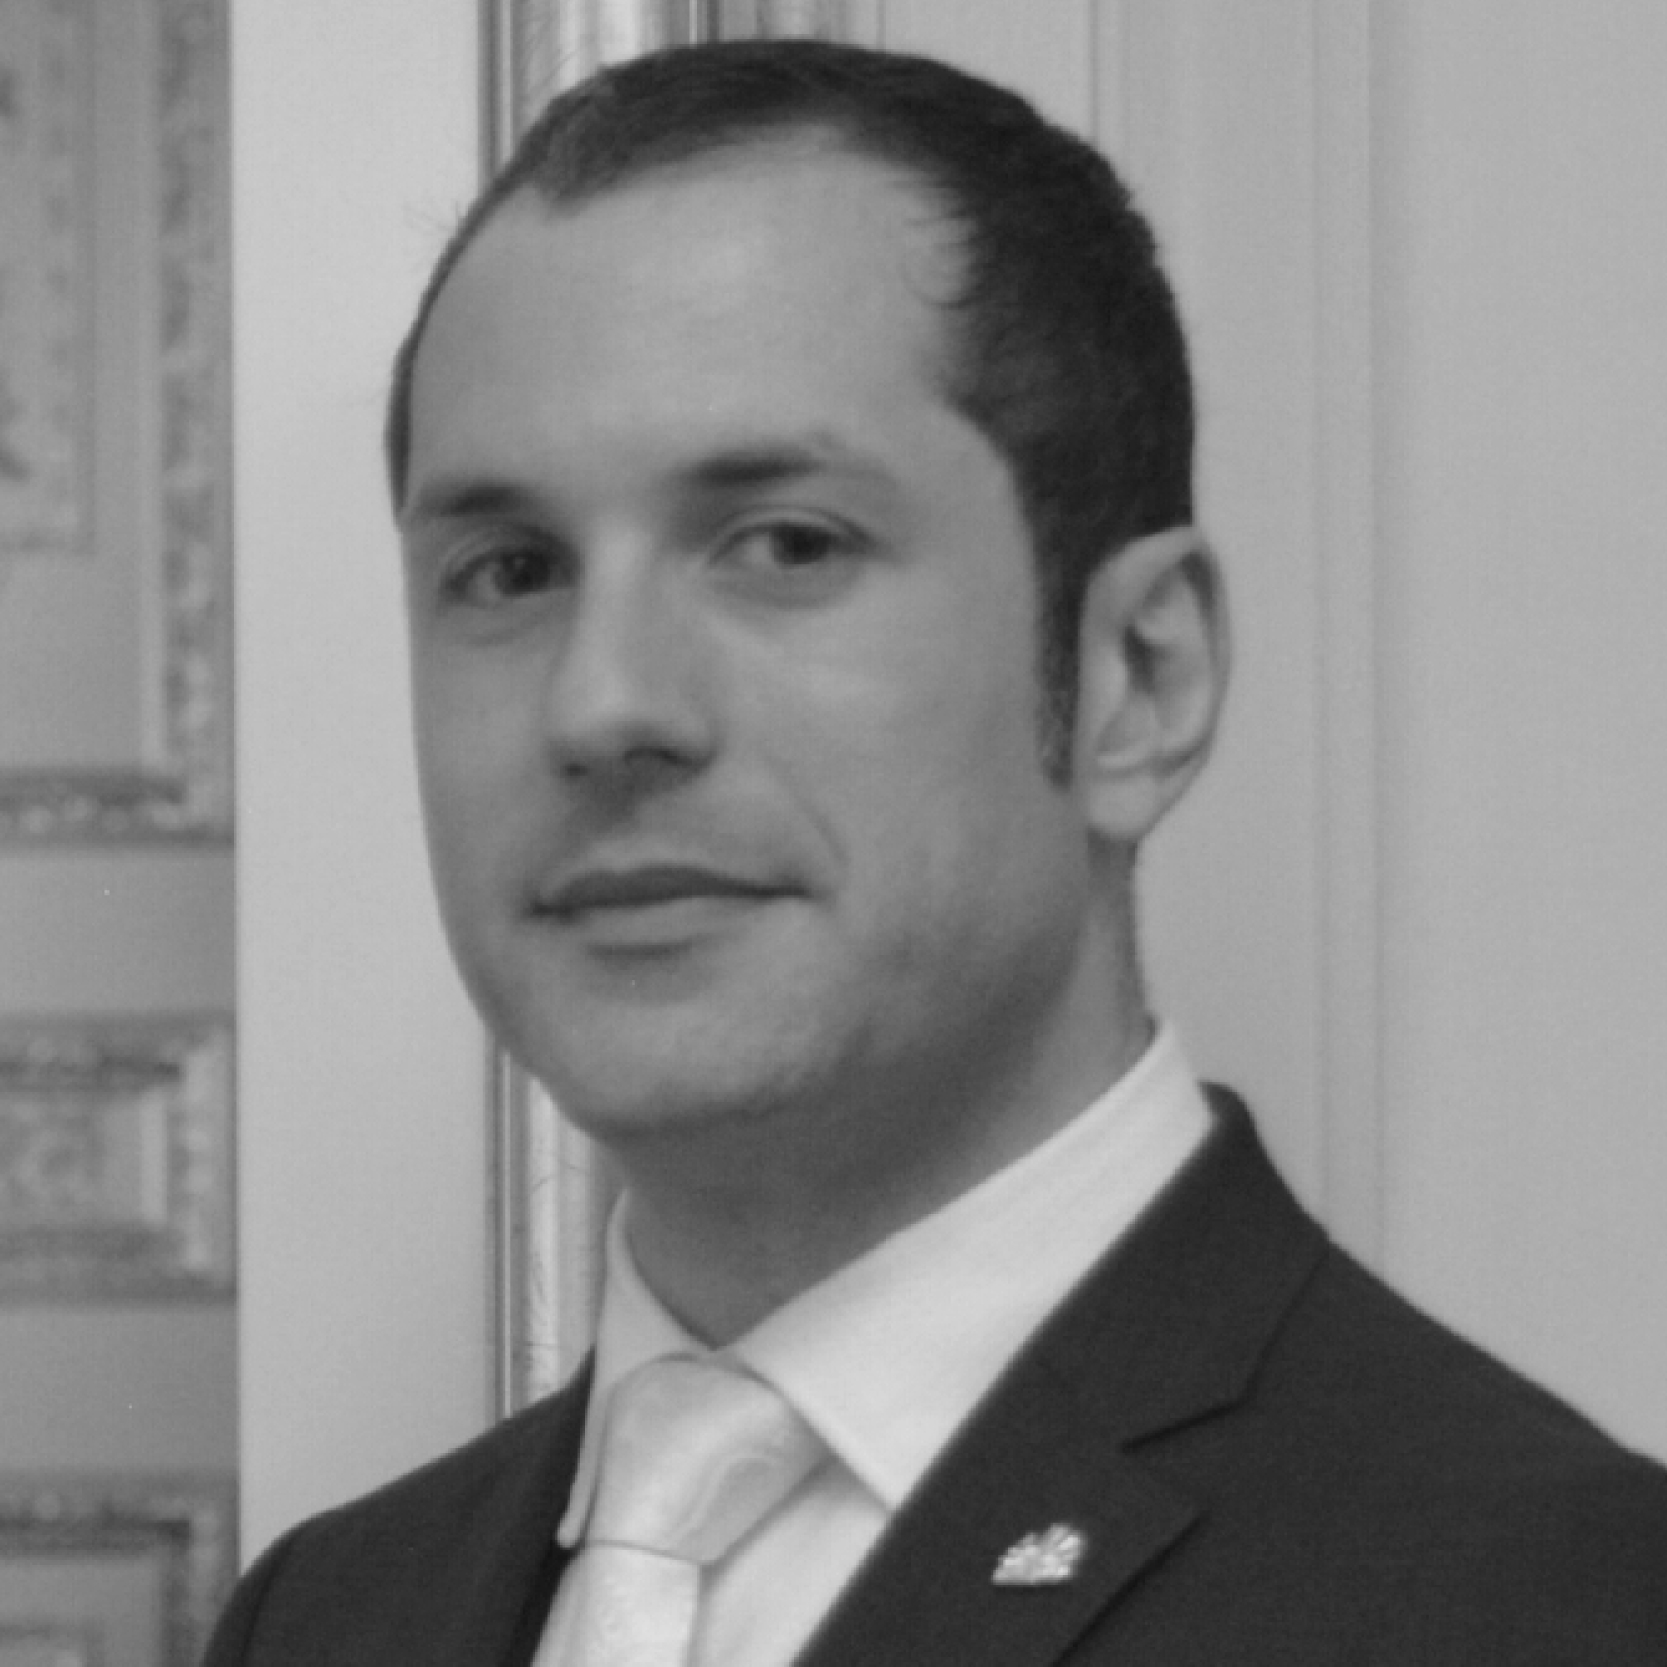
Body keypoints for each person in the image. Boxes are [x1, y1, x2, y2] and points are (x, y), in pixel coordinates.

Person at [204, 38, 1667, 1666]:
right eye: (509, 570)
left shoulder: (1558, 1606)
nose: (604, 703)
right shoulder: (326, 1619)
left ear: (1138, 680)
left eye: (784, 544)